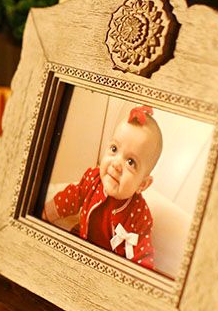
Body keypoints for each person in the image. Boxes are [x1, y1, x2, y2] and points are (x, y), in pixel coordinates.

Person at [42, 104, 163, 269]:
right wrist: (45, 214)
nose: (116, 164)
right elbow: (71, 197)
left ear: (142, 184)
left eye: (130, 162)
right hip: (80, 240)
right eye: (114, 149)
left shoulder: (139, 215)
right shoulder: (93, 179)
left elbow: (143, 256)